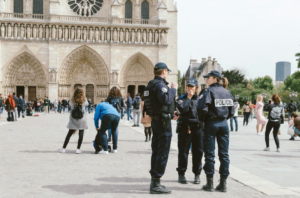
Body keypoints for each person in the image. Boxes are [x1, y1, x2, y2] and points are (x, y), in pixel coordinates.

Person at [197, 70, 234, 193]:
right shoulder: (227, 92)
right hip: (224, 124)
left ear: (215, 79)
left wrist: (204, 119)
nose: (206, 79)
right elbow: (232, 111)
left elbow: (202, 108)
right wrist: (222, 118)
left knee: (209, 154)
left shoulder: (209, 91)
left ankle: (210, 183)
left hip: (211, 123)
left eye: (208, 77)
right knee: (224, 154)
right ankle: (223, 184)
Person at [143, 62, 177, 194]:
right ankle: (156, 182)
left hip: (156, 121)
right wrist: (173, 89)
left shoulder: (150, 85)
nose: (167, 74)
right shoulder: (160, 85)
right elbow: (166, 100)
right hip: (163, 123)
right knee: (162, 151)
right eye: (167, 72)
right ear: (163, 72)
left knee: (156, 150)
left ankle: (154, 179)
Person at [176, 78, 203, 185]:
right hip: (185, 128)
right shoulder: (182, 98)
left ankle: (197, 174)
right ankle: (181, 174)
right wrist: (189, 98)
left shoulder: (201, 99)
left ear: (196, 88)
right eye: (188, 86)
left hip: (198, 128)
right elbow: (182, 109)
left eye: (192, 87)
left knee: (198, 152)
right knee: (183, 152)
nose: (190, 88)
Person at [60, 88, 89, 154]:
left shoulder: (72, 99)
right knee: (81, 133)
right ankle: (78, 149)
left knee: (69, 134)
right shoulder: (84, 99)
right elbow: (87, 104)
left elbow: (70, 105)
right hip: (82, 119)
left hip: (73, 118)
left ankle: (63, 148)